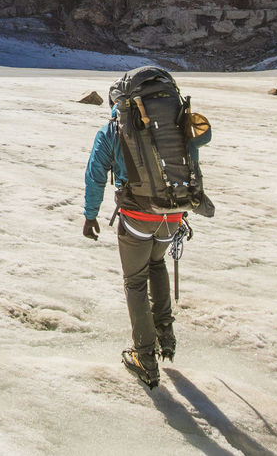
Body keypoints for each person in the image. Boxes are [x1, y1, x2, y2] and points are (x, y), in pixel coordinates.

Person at [82, 102, 182, 390]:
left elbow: (95, 175)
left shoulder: (112, 130)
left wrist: (90, 216)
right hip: (172, 215)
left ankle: (145, 358)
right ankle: (166, 333)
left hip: (137, 216)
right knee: (156, 264)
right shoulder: (168, 125)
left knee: (135, 282)